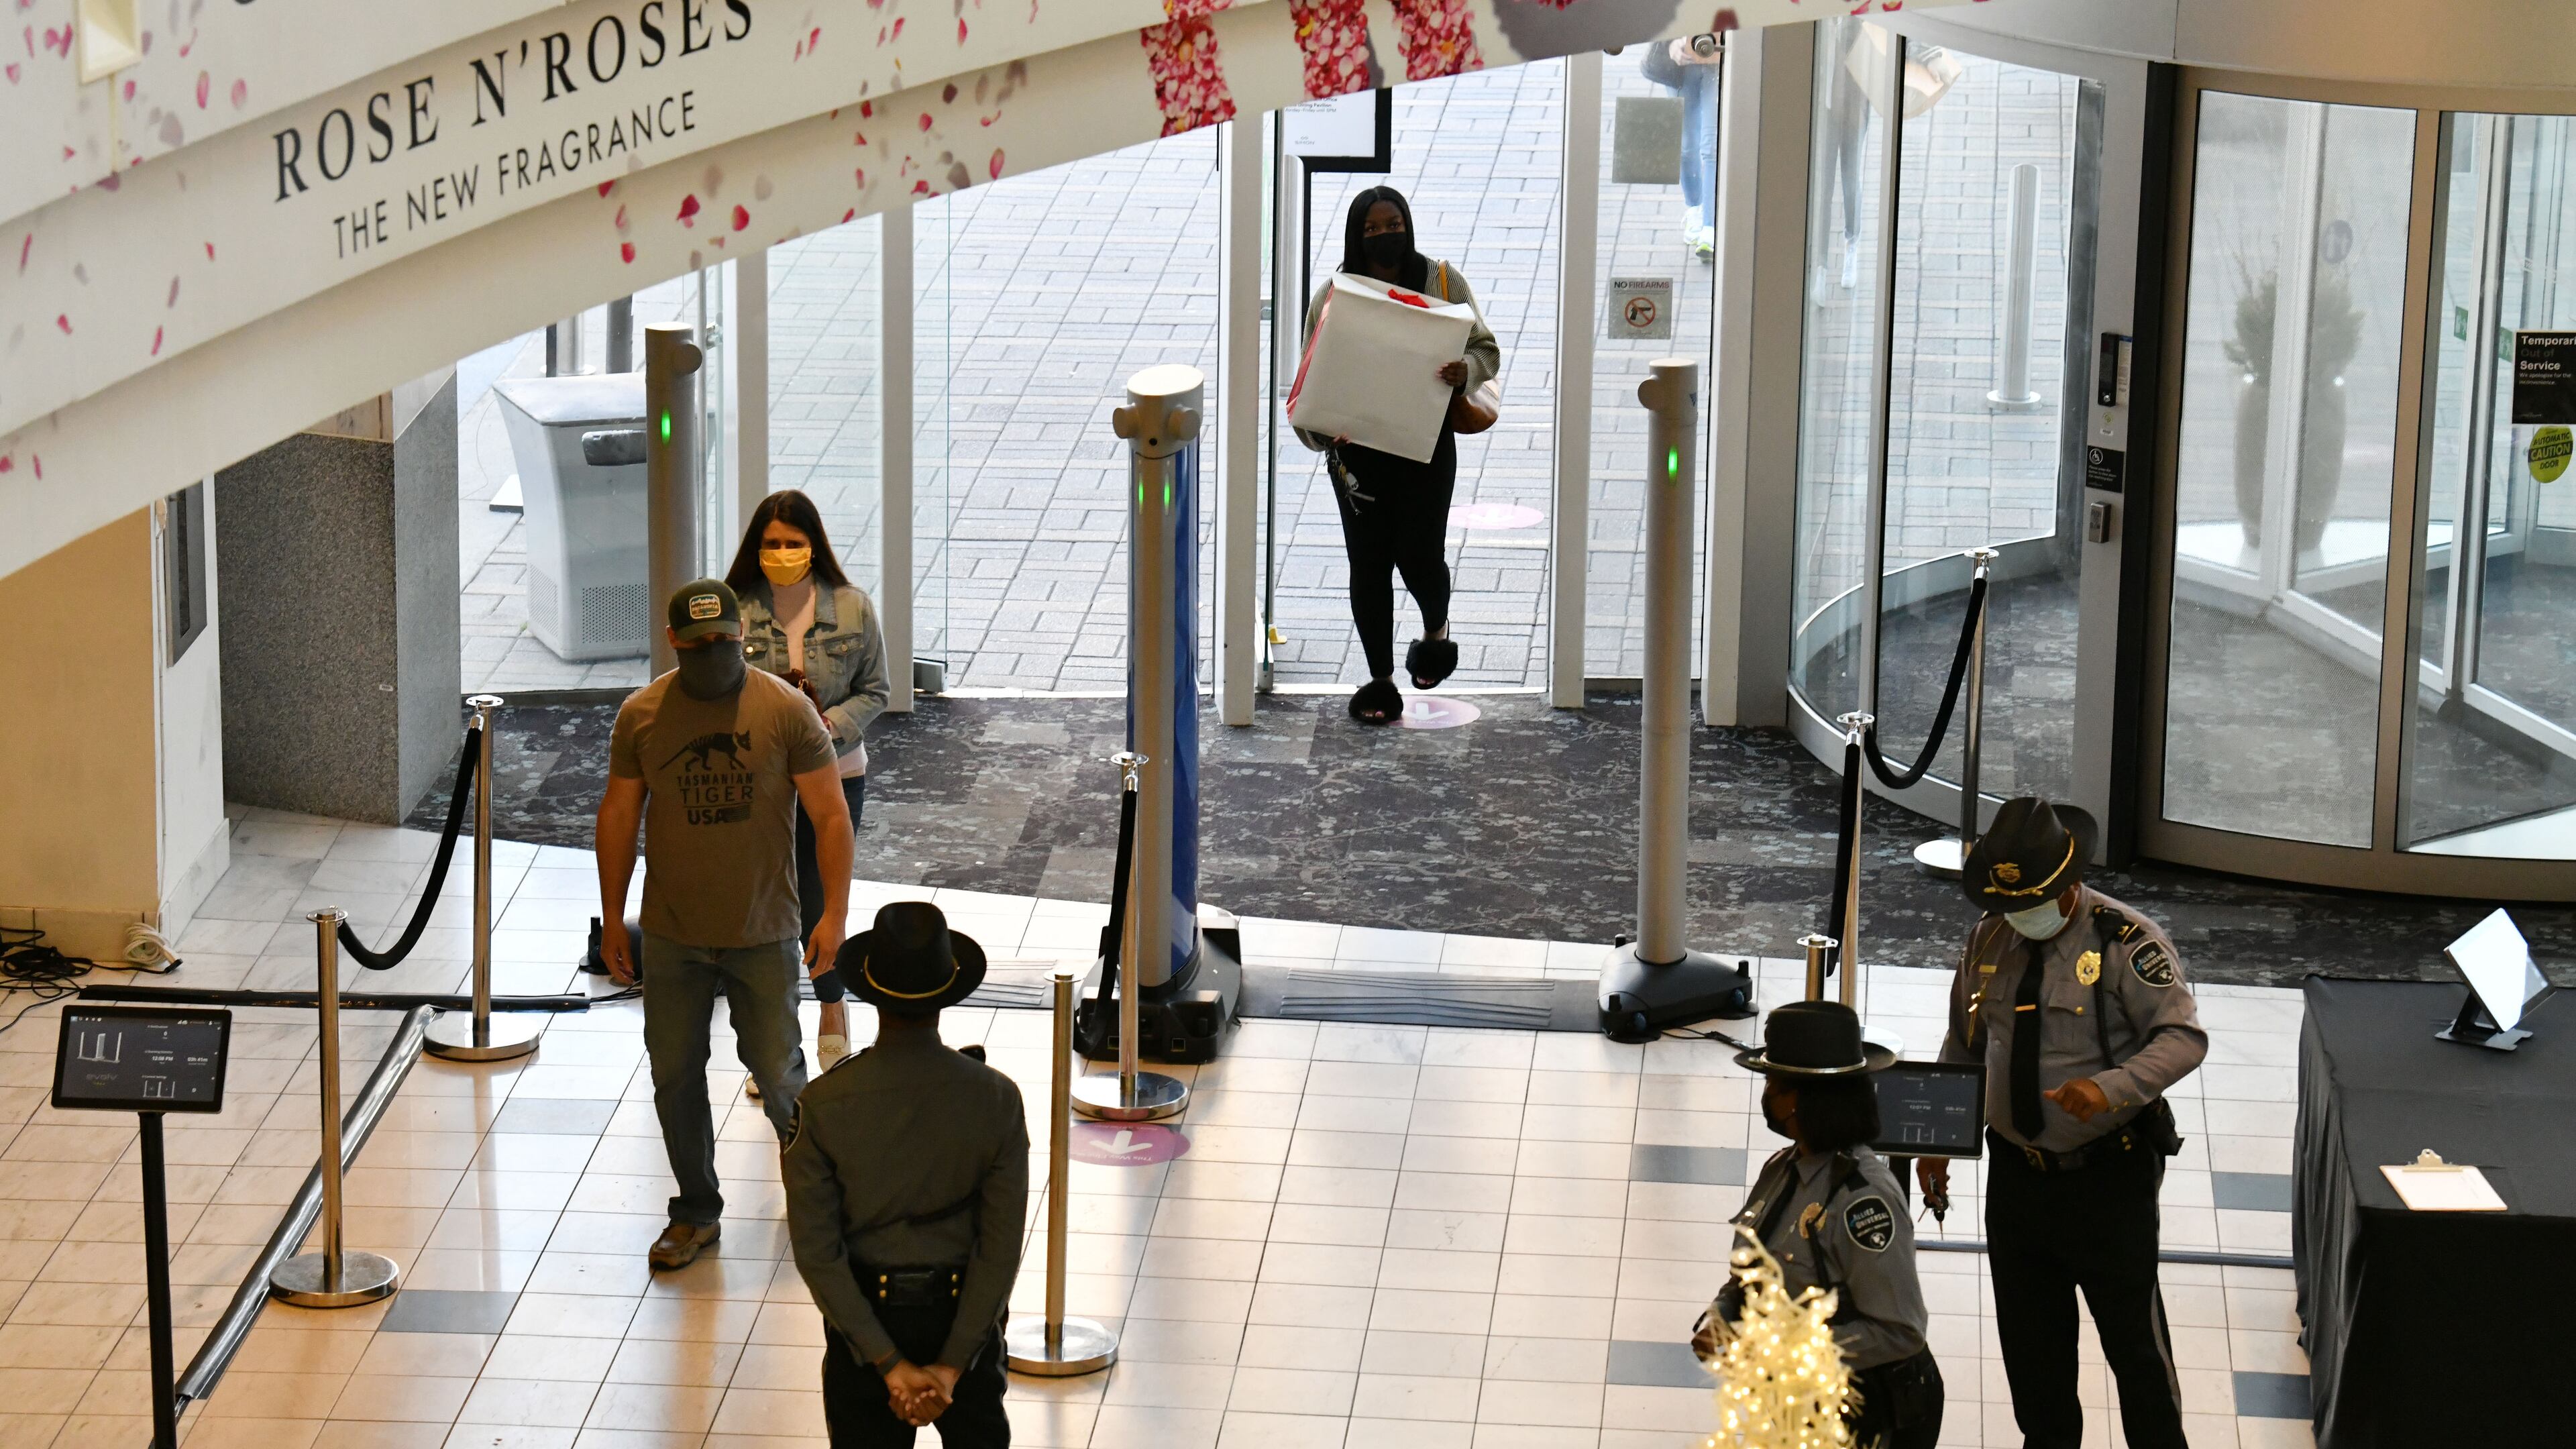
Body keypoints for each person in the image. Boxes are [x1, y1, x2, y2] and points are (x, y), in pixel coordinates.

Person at [1921, 798, 2206, 1449]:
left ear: (2070, 883)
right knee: (2034, 1366)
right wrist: (1938, 1138)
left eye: (2036, 901)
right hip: (2017, 1182)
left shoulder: (2125, 942)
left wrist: (2109, 1089)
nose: (2023, 916)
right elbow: (1965, 1042)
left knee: (2137, 1355)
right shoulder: (1989, 938)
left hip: (2108, 1179)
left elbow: (2183, 1037)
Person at [595, 579, 853, 1271]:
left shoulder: (785, 709)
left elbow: (831, 814)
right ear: (674, 640)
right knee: (674, 1075)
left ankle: (819, 1199)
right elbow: (619, 817)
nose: (713, 652)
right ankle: (695, 1211)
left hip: (764, 929)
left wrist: (835, 915)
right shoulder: (642, 715)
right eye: (698, 642)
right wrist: (614, 920)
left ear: (744, 636)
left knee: (780, 1072)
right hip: (675, 934)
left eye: (724, 640)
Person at [785, 902, 1028, 1448]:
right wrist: (952, 1367)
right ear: (948, 991)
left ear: (869, 991)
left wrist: (888, 1363)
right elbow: (1001, 1247)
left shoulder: (822, 1104)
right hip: (964, 1313)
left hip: (865, 1320)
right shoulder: (996, 1099)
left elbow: (818, 1253)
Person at [1297, 185, 1501, 725]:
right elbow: (1307, 379)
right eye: (1372, 229)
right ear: (1355, 235)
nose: (1386, 236)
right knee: (1368, 566)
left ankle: (1436, 632)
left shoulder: (1441, 280)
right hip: (1357, 457)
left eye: (1394, 225)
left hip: (1424, 447)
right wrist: (1322, 434)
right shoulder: (1334, 295)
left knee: (1419, 554)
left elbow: (1486, 349)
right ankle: (1381, 679)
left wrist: (1467, 373)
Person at [1697, 1000, 1942, 1449]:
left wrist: (1783, 1352)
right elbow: (1754, 1267)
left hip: (1864, 1415)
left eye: (1774, 1082)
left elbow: (1900, 1331)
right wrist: (1722, 1314)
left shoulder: (1863, 1202)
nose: (1766, 1093)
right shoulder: (1785, 1168)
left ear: (1803, 1101)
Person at [727, 489, 890, 1075]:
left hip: (837, 773)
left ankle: (831, 1005)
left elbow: (877, 690)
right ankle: (773, 1036)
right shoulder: (736, 608)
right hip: (763, 779)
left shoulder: (852, 607)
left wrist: (826, 729)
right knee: (769, 903)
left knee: (821, 898)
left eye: (793, 544)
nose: (782, 553)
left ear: (814, 546)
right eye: (771, 544)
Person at [1641, 34, 1722, 258]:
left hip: (1720, 57)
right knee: (1687, 145)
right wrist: (1671, 42)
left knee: (1711, 145)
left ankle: (1710, 225)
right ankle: (1695, 208)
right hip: (1684, 62)